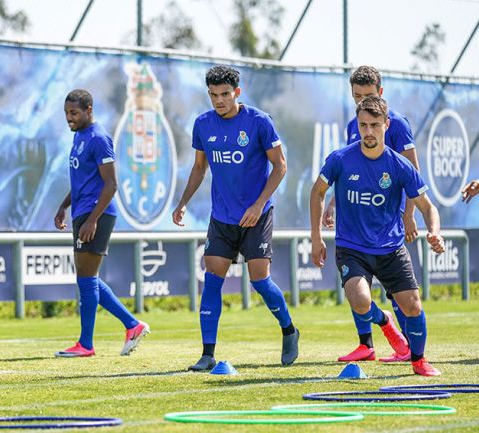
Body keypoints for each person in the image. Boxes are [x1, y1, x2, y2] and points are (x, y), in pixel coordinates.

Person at [172, 66, 299, 371]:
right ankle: (207, 353)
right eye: (214, 95)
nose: (219, 100)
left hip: (257, 214)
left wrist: (258, 204)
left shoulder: (259, 122)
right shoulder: (202, 125)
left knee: (259, 279)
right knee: (212, 278)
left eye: (225, 94)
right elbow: (200, 168)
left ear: (237, 93)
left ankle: (289, 330)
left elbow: (280, 166)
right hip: (222, 217)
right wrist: (183, 202)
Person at [310, 96, 445, 376]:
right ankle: (384, 321)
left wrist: (434, 231)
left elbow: (428, 207)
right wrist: (316, 237)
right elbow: (317, 192)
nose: (368, 132)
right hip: (352, 247)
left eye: (374, 125)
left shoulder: (399, 166)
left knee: (412, 305)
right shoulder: (340, 159)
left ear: (387, 124)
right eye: (363, 125)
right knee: (359, 300)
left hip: (391, 248)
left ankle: (419, 360)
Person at [324, 66, 421, 364]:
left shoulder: (397, 126)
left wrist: (408, 215)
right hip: (358, 221)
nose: (361, 101)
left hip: (388, 221)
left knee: (399, 293)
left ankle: (408, 349)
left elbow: (412, 172)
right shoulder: (356, 124)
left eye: (367, 95)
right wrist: (331, 202)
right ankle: (366, 344)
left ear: (380, 92)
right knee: (358, 285)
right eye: (356, 96)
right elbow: (352, 170)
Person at [53, 89, 150, 358]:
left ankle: (86, 344)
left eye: (74, 113)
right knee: (87, 278)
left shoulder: (98, 138)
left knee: (86, 278)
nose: (69, 118)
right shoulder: (79, 137)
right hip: (83, 212)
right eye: (66, 113)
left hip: (97, 213)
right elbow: (83, 182)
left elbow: (111, 184)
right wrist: (64, 206)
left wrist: (93, 220)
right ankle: (132, 325)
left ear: (89, 110)